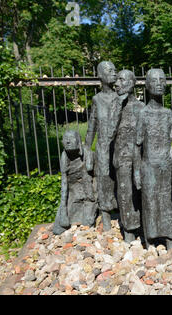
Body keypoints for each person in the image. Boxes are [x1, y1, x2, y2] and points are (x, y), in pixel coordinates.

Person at [135, 69, 172, 251]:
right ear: (147, 85)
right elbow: (137, 145)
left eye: (162, 79)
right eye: (155, 80)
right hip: (149, 167)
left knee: (167, 202)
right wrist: (137, 172)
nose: (159, 83)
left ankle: (170, 239)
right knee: (151, 203)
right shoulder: (143, 114)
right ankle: (151, 239)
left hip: (167, 167)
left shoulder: (168, 114)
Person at [85, 61, 121, 231]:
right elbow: (92, 125)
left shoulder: (120, 98)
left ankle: (123, 215)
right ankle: (106, 217)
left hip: (120, 147)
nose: (114, 73)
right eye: (110, 71)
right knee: (104, 180)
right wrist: (86, 147)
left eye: (115, 70)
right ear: (100, 75)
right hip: (103, 147)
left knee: (121, 180)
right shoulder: (96, 99)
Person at [113, 70, 144, 243]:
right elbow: (108, 133)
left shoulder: (141, 108)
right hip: (122, 157)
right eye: (117, 80)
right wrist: (117, 106)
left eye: (122, 80)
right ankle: (129, 230)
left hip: (139, 157)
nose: (117, 83)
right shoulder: (114, 106)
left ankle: (143, 226)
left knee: (140, 192)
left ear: (132, 84)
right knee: (125, 192)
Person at [53, 130, 96, 235]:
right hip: (73, 192)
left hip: (88, 194)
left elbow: (96, 178)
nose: (67, 142)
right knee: (58, 229)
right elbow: (64, 184)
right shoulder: (64, 156)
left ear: (78, 141)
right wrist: (63, 210)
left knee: (87, 224)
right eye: (65, 139)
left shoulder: (88, 153)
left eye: (71, 138)